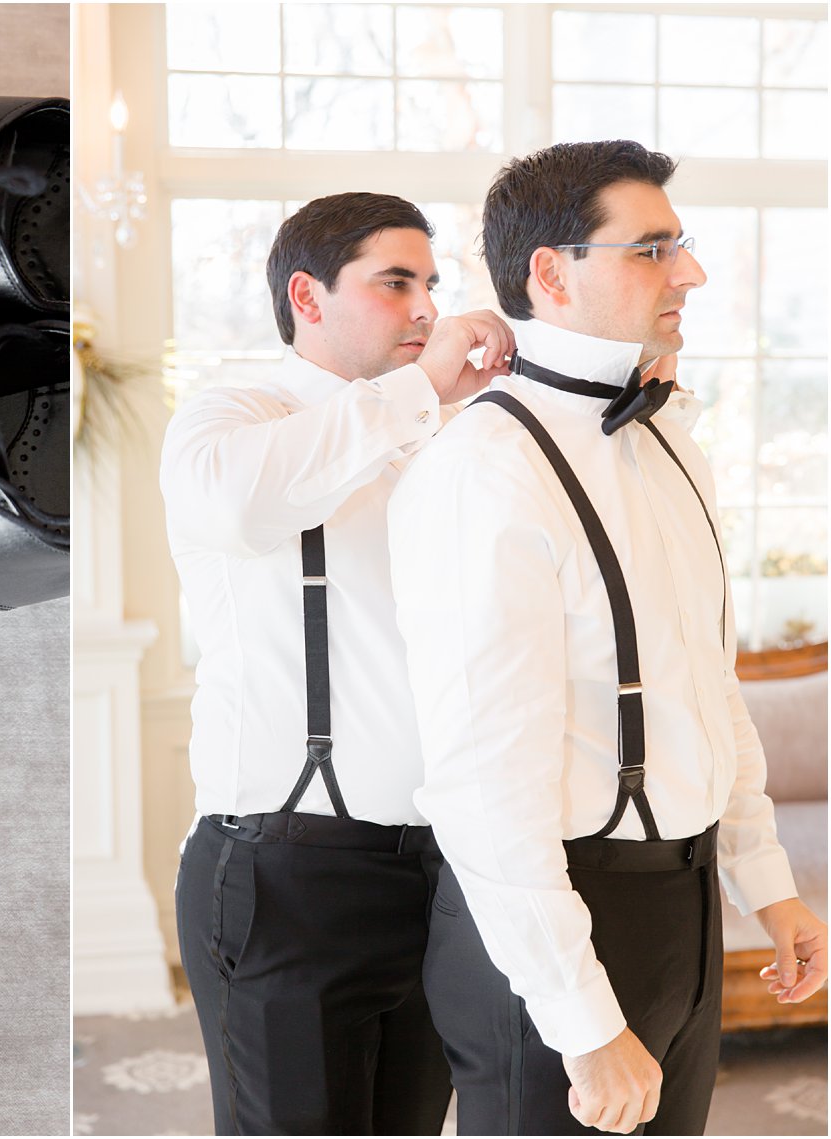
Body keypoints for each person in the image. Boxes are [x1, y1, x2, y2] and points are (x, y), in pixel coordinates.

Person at [387, 140, 829, 1136]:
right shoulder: (481, 471)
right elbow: (479, 779)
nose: (691, 273)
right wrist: (579, 1015)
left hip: (683, 903)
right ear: (549, 272)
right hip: (554, 919)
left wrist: (766, 883)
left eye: (680, 246)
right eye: (651, 249)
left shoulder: (669, 437)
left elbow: (706, 688)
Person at [160, 191, 514, 1135]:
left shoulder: (432, 446)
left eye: (432, 285)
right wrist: (415, 395)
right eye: (396, 283)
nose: (427, 308)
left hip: (436, 875)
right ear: (308, 297)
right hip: (287, 874)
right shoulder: (232, 416)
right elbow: (239, 506)